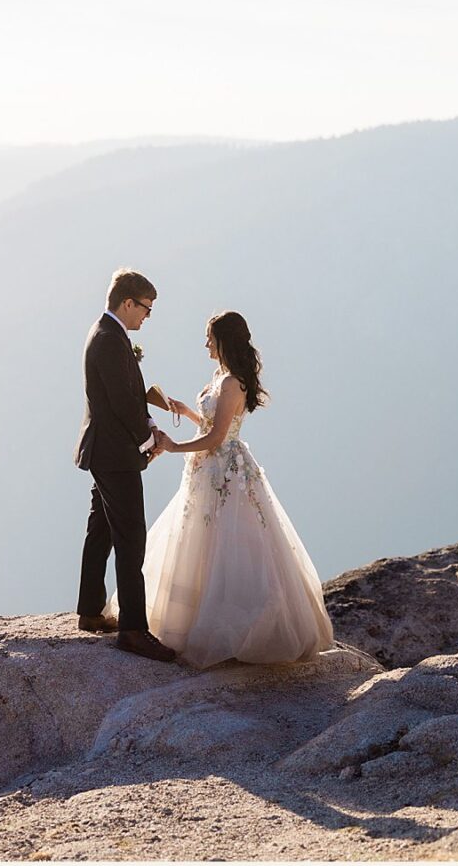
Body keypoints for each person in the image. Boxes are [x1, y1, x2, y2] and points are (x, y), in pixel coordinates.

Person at [106, 311, 335, 668]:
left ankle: (237, 632)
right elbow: (215, 425)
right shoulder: (221, 378)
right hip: (208, 470)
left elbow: (216, 438)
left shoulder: (232, 384)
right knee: (200, 543)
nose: (206, 344)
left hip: (224, 472)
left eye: (210, 337)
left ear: (223, 339)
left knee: (227, 544)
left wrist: (172, 446)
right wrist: (187, 411)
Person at [74, 268, 178, 662]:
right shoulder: (108, 340)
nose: (147, 317)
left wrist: (150, 418)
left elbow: (130, 394)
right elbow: (120, 403)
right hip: (115, 455)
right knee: (131, 537)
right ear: (127, 303)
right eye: (146, 309)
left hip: (105, 450)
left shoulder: (109, 334)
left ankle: (89, 610)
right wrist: (150, 440)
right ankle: (133, 630)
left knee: (100, 529)